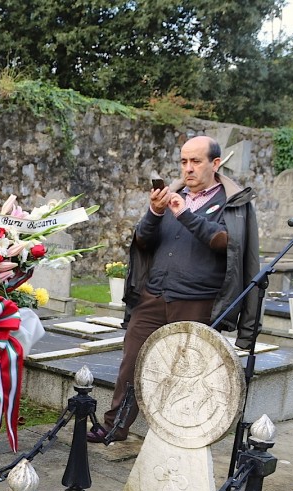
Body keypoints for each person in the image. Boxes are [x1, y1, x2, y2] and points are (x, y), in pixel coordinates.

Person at [88, 135, 260, 443]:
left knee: (187, 373)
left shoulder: (231, 202)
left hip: (197, 301)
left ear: (215, 163)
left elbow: (225, 243)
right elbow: (143, 241)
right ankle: (116, 426)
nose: (188, 168)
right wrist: (155, 212)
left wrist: (185, 215)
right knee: (132, 363)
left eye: (196, 161)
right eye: (183, 162)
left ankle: (176, 437)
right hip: (154, 296)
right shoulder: (171, 196)